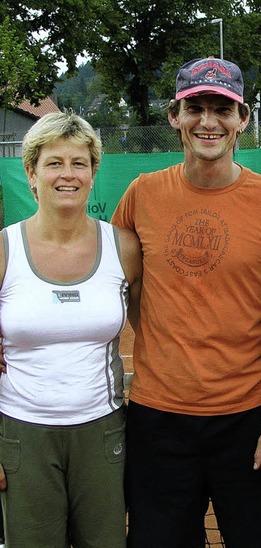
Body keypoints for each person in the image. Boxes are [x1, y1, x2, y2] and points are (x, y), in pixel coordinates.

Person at [111, 56, 261, 547]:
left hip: (251, 422)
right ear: (174, 117)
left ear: (243, 119)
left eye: (223, 108)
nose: (208, 121)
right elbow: (126, 288)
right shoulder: (141, 194)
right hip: (158, 424)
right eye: (196, 107)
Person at [0, 112, 142, 546]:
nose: (68, 174)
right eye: (54, 163)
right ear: (32, 173)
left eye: (79, 163)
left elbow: (155, 330)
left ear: (94, 172)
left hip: (102, 431)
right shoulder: (4, 249)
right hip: (20, 434)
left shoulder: (124, 247)